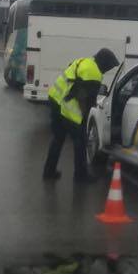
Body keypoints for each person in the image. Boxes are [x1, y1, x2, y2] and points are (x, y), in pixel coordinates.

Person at [43, 48, 120, 183]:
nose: (108, 70)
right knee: (80, 141)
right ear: (104, 63)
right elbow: (83, 97)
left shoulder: (84, 62)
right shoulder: (94, 73)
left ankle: (49, 171)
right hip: (68, 108)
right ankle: (81, 176)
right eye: (109, 67)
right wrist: (84, 118)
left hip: (55, 99)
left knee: (58, 139)